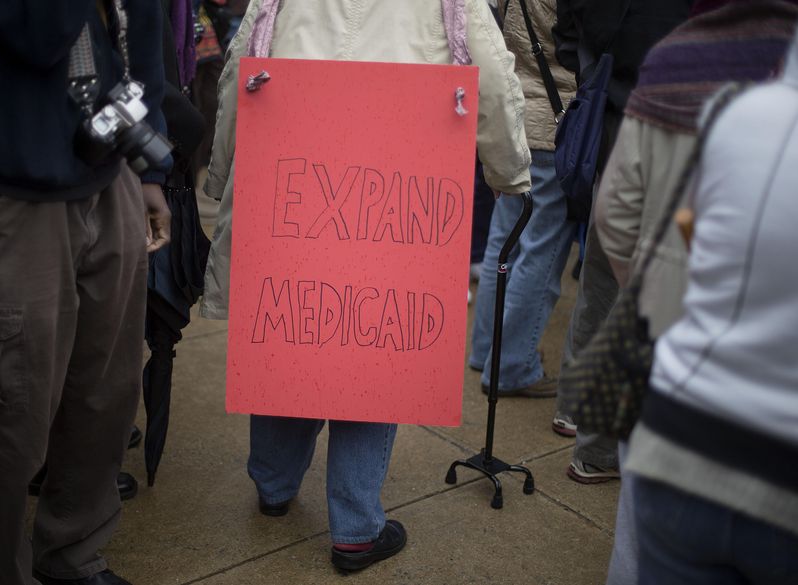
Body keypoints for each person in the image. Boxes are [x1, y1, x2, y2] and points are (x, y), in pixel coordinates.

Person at [200, 0, 531, 572]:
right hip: (400, 177)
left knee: (292, 329)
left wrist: (223, 169)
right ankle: (355, 527)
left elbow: (241, 68)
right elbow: (495, 82)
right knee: (375, 347)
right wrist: (510, 172)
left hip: (290, 175)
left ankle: (274, 487)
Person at [0, 1, 171, 584]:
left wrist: (148, 167)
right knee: (9, 405)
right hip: (6, 184)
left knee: (105, 389)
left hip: (106, 166)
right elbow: (39, 31)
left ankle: (72, 555)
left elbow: (141, 26)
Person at [592, 2, 798, 582]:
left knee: (639, 540)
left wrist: (652, 297)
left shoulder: (678, 56)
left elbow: (616, 214)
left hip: (672, 377)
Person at [550, 0, 692, 483]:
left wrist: (594, 70)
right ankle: (597, 446)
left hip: (615, 118)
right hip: (663, 125)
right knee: (638, 291)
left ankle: (574, 410)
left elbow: (568, 25)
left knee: (602, 279)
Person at [469, 0, 576, 397]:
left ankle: (485, 351)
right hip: (552, 120)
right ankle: (512, 365)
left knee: (504, 240)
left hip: (516, 116)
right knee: (541, 253)